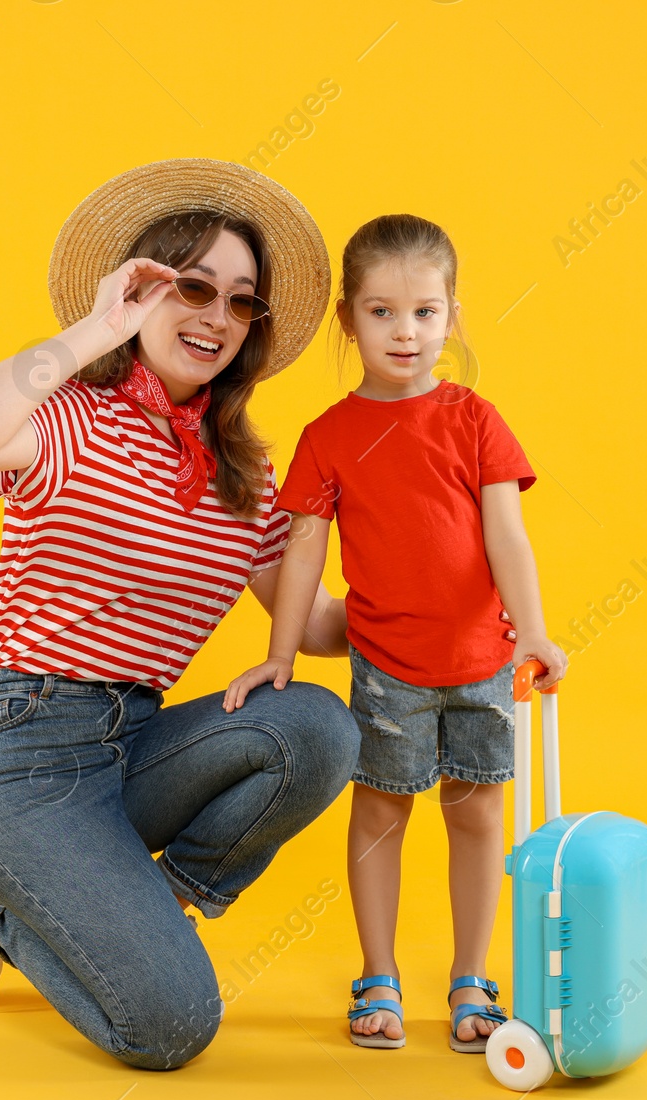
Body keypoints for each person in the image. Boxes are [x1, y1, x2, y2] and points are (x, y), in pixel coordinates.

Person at [0, 159, 360, 1070]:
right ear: (142, 290)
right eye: (193, 288)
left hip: (137, 747)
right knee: (170, 1028)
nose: (216, 319)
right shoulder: (70, 415)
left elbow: (310, 626)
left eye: (242, 304)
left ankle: (119, 905)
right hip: (26, 751)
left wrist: (440, 590)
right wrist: (95, 328)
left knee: (316, 723)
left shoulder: (243, 472)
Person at [224, 214, 568, 1053]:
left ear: (452, 314)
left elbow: (507, 538)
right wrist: (279, 652)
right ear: (349, 319)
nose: (404, 332)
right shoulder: (328, 436)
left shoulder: (476, 420)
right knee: (381, 812)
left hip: (482, 659)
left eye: (423, 311)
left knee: (478, 814)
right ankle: (377, 973)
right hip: (386, 666)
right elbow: (303, 550)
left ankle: (471, 979)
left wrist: (536, 634)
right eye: (381, 312)